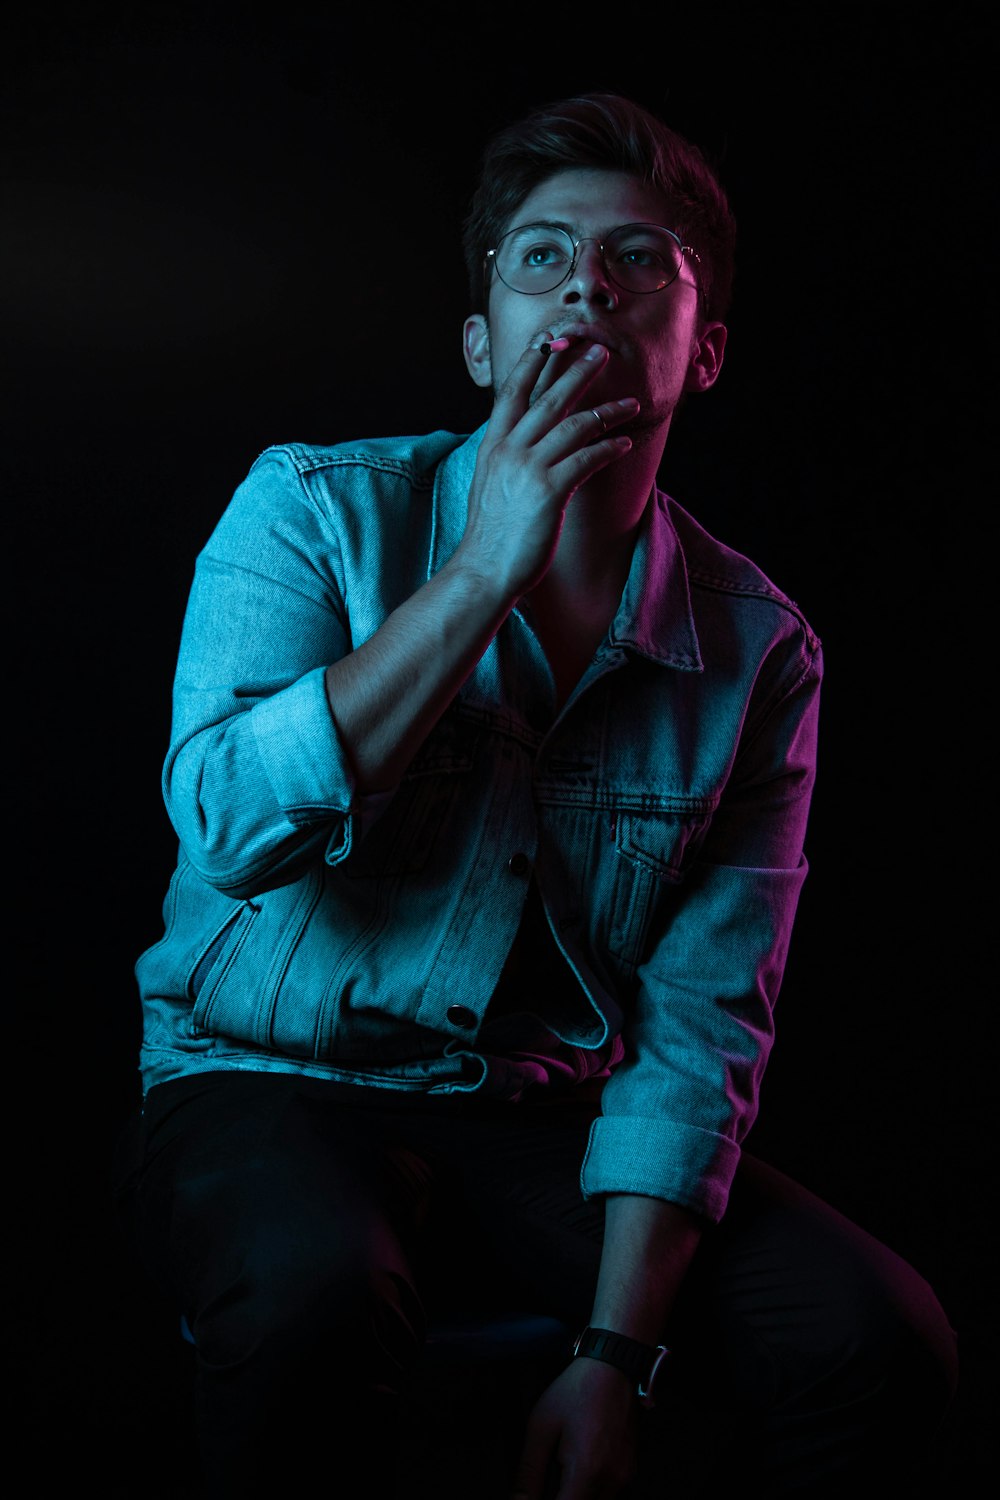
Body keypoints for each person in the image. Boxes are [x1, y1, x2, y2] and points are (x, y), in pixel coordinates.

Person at [115, 93, 958, 1497]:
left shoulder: (762, 653)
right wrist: (480, 575)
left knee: (878, 1334)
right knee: (318, 1291)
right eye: (542, 259)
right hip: (268, 1079)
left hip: (535, 1118)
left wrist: (615, 1356)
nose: (587, 289)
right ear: (480, 339)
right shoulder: (309, 511)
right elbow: (224, 827)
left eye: (640, 263)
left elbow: (703, 1021)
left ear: (704, 356)